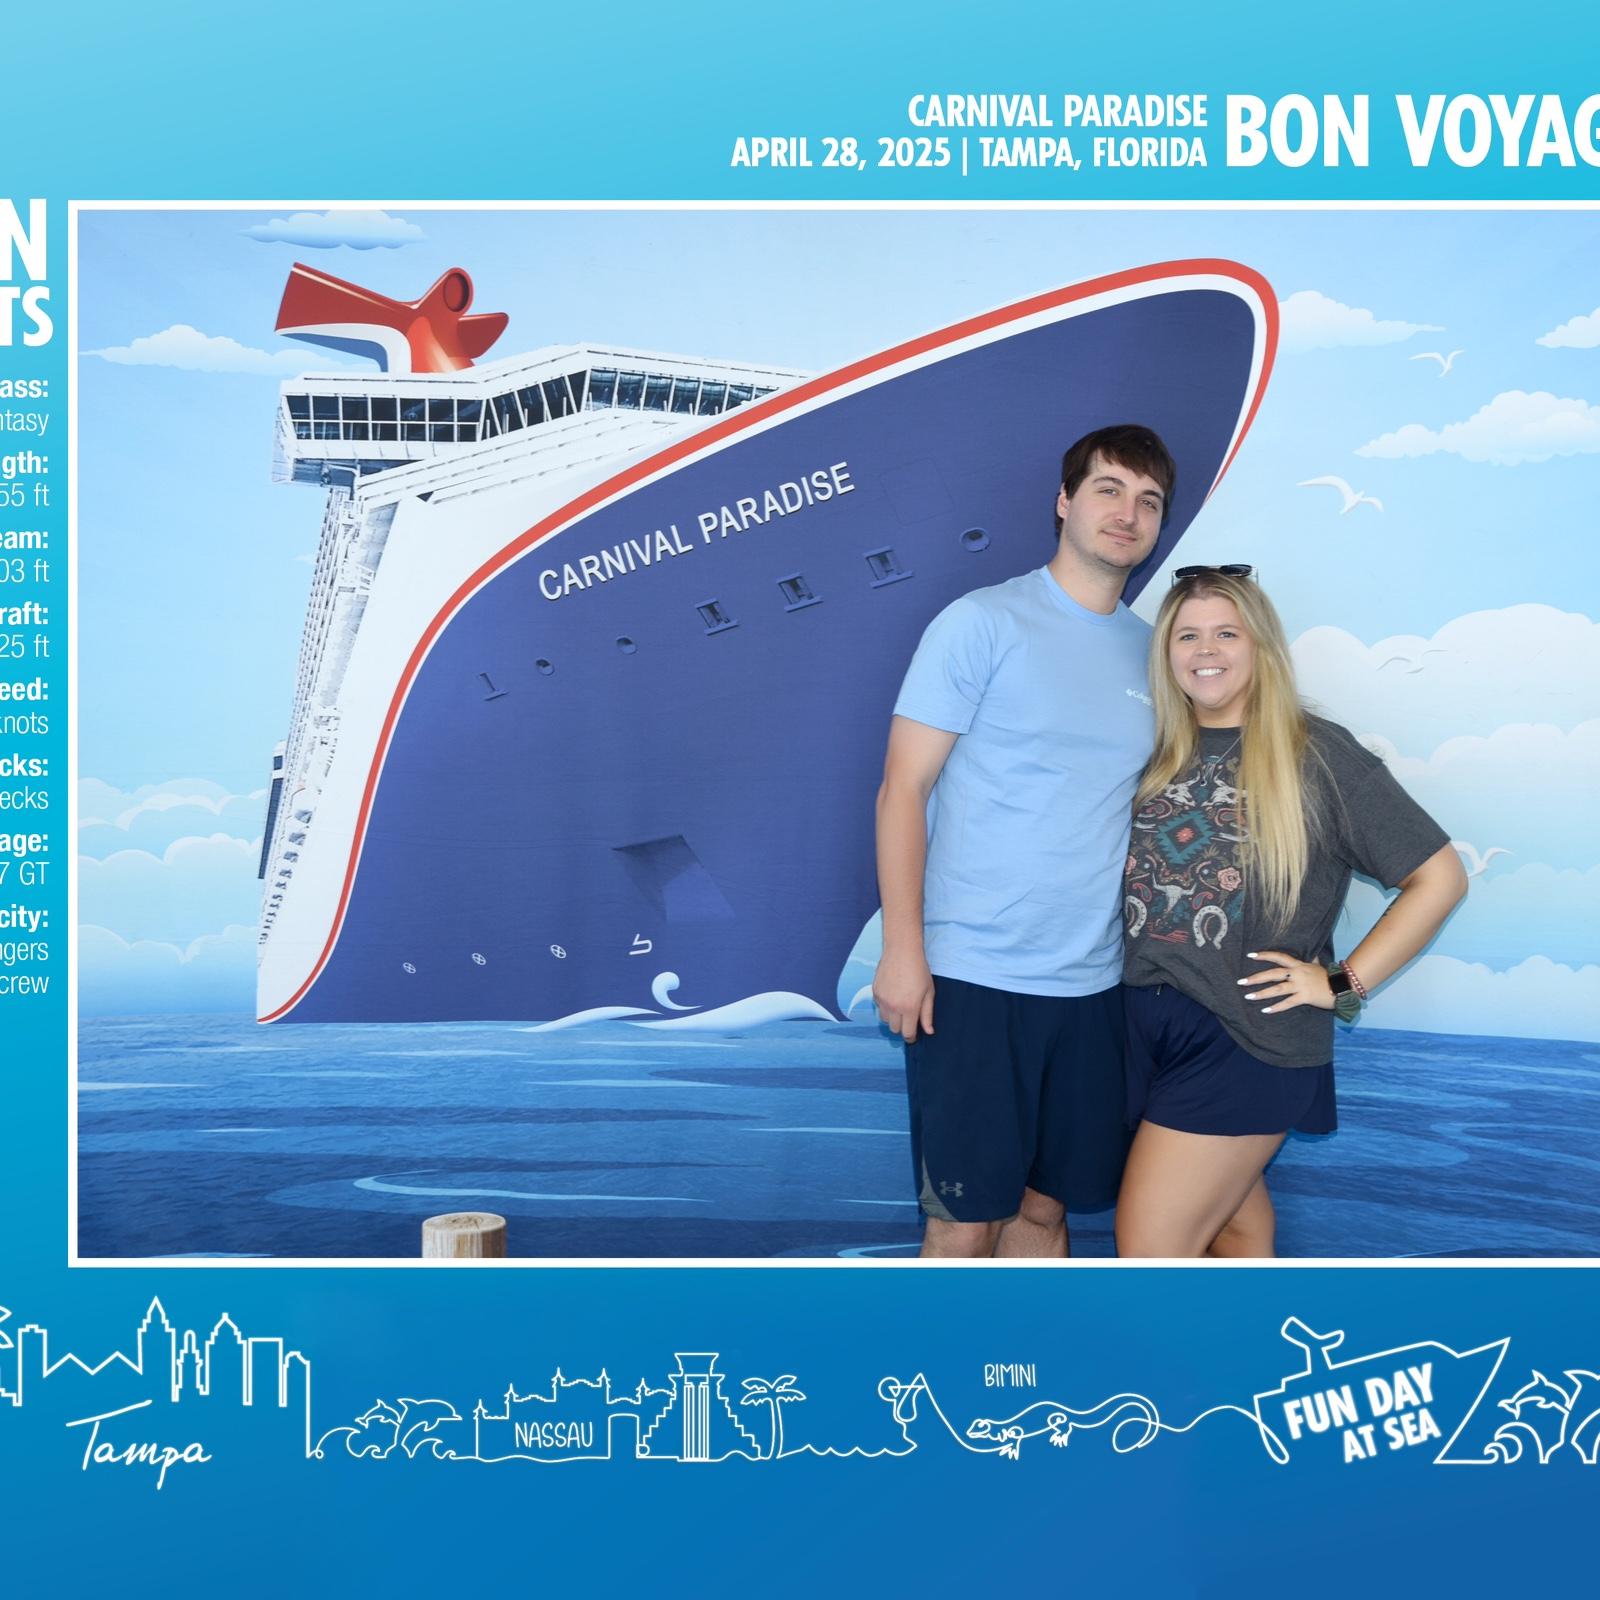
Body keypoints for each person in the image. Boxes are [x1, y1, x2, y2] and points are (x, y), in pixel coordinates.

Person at [873, 423, 1176, 1258]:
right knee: (963, 1220)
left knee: (1046, 1213)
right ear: (1064, 502)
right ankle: (944, 1355)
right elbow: (903, 790)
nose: (1128, 513)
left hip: (1094, 986)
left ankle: (1028, 1352)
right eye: (1109, 489)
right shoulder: (981, 623)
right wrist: (904, 951)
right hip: (973, 976)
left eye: (1149, 500)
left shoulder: (1156, 655)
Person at [1116, 567, 1467, 1259]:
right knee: (1234, 1228)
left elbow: (1440, 878)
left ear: (1261, 647)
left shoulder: (1317, 753)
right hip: (1140, 1031)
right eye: (1187, 635)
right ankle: (1257, 1335)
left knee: (1151, 1250)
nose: (1206, 650)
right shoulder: (1153, 750)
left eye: (1227, 633)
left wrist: (1342, 984)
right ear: (1165, 653)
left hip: (1245, 1040)